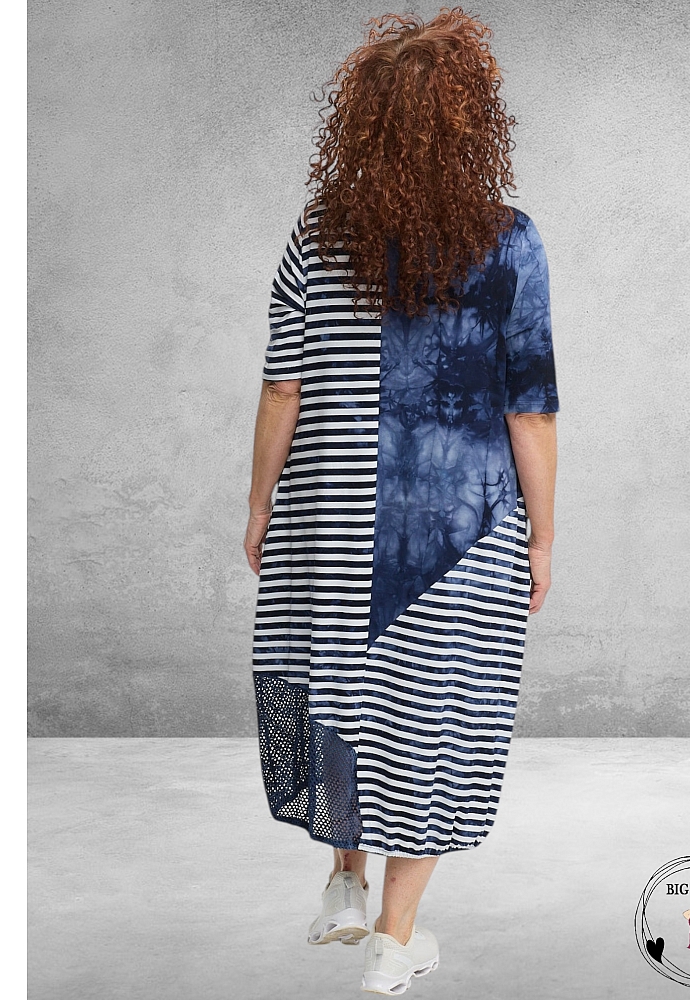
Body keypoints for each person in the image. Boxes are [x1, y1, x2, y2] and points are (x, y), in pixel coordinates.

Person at [244, 8, 559, 994]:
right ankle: (394, 938)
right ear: (471, 121)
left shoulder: (318, 232)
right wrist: (544, 536)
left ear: (363, 121)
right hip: (461, 533)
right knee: (434, 720)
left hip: (329, 522)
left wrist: (259, 506)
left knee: (335, 690)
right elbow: (530, 409)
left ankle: (343, 880)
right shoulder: (509, 242)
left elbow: (282, 388)